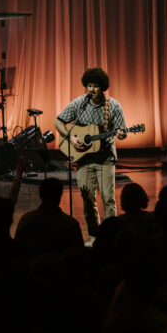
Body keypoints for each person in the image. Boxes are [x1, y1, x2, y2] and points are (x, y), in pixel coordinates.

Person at [53, 67, 127, 238]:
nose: (92, 89)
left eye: (96, 86)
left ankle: (111, 237)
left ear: (103, 87)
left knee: (108, 199)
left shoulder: (113, 106)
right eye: (89, 85)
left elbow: (121, 131)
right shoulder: (80, 103)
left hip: (105, 158)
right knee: (88, 200)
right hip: (84, 159)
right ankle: (95, 237)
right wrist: (71, 137)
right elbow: (58, 122)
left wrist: (122, 134)